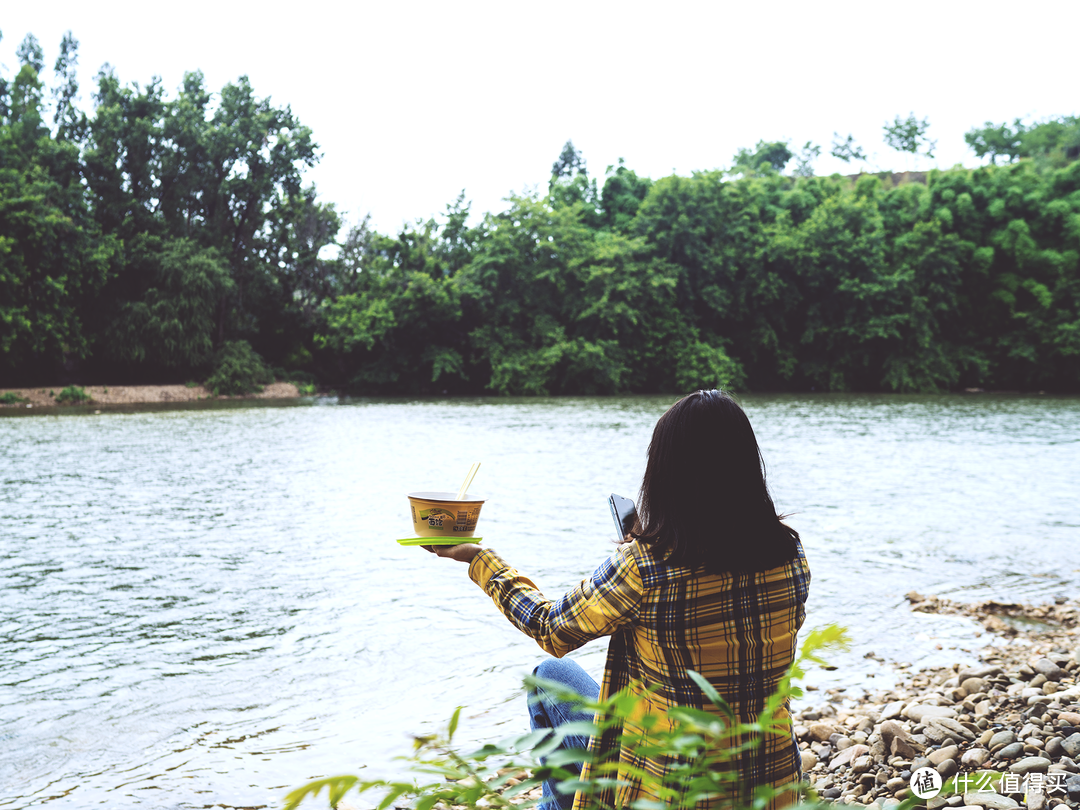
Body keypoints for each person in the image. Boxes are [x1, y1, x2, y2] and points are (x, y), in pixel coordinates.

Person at [425, 390, 810, 810]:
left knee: (550, 676)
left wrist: (480, 559)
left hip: (672, 790)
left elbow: (549, 628)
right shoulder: (789, 556)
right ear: (746, 470)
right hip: (772, 787)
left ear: (665, 475)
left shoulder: (643, 568)